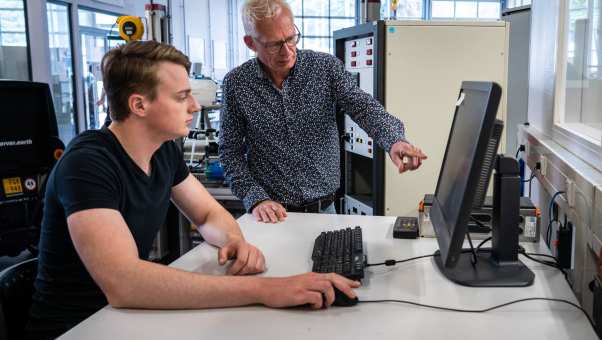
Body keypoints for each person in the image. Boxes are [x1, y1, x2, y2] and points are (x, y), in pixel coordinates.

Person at [26, 41, 359, 340]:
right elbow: (124, 284)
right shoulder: (87, 164)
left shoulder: (163, 150)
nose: (195, 107)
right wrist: (264, 289)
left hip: (129, 318)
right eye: (182, 96)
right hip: (80, 326)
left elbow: (207, 213)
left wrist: (232, 240)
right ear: (140, 105)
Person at [219, 0, 427, 224]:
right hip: (270, 215)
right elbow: (230, 152)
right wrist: (256, 198)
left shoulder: (324, 68)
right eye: (274, 44)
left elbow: (364, 107)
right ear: (251, 43)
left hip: (325, 211)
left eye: (291, 38)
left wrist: (394, 140)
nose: (287, 51)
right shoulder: (237, 83)